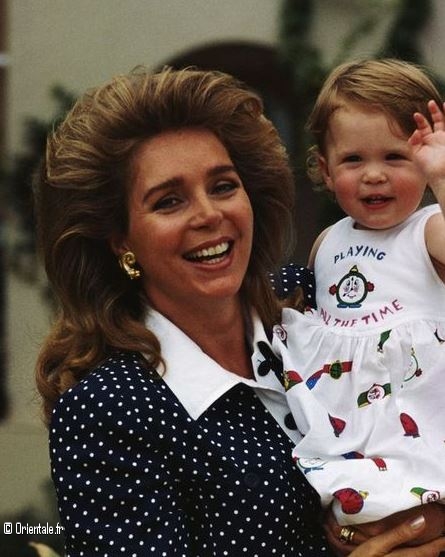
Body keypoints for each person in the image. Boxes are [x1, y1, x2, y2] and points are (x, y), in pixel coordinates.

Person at [33, 65, 445, 556]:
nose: (209, 214)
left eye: (224, 186)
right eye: (169, 201)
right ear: (120, 239)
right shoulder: (111, 406)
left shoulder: (313, 298)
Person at [263, 58, 445, 546]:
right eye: (353, 160)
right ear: (323, 169)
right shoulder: (326, 244)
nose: (374, 176)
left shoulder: (427, 230)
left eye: (395, 157)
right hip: (347, 432)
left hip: (418, 427)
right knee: (351, 530)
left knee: (417, 526)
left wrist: (444, 179)